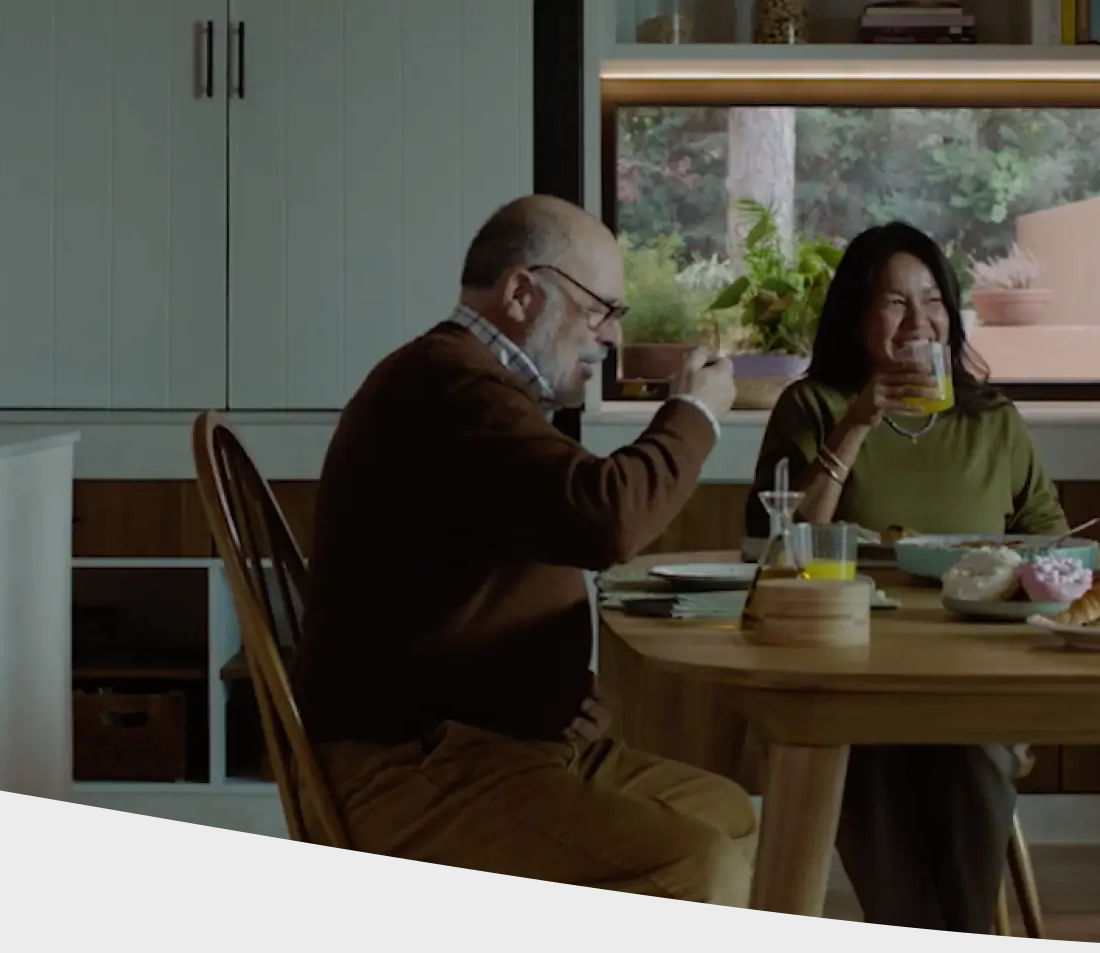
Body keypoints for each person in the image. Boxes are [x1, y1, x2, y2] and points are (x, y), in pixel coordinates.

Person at [292, 195, 756, 904]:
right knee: (696, 865)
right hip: (409, 769)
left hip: (493, 743)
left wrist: (547, 694)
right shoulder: (449, 388)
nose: (606, 336)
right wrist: (694, 413)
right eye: (600, 308)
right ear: (520, 291)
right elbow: (605, 518)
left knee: (732, 815)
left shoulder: (470, 389)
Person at [742, 221, 1069, 933]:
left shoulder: (994, 422)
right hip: (855, 663)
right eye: (893, 303)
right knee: (864, 749)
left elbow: (1052, 547)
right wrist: (857, 423)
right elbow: (777, 545)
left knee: (972, 745)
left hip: (979, 669)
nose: (918, 322)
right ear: (857, 318)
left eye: (932, 301)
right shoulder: (815, 407)